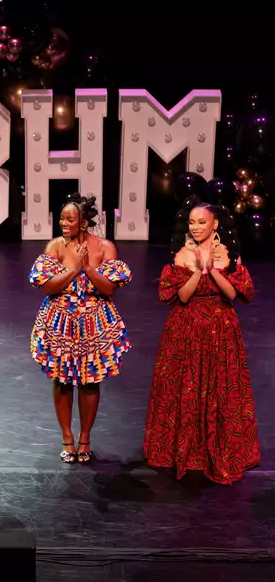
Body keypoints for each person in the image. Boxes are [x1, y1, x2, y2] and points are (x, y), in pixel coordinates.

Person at [143, 197, 259, 484]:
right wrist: (199, 270)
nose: (195, 227)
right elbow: (182, 296)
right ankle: (186, 449)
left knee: (220, 388)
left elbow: (233, 295)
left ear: (215, 224)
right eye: (191, 222)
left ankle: (219, 447)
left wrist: (214, 270)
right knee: (187, 386)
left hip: (221, 329)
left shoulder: (230, 254)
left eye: (201, 222)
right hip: (187, 329)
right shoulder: (182, 255)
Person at [29, 193, 131, 464]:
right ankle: (66, 436)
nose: (64, 223)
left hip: (94, 324)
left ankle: (85, 436)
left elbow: (109, 287)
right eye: (62, 218)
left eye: (70, 219)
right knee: (62, 381)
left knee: (89, 382)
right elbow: (47, 286)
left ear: (84, 222)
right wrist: (74, 270)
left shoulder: (105, 247)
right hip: (60, 324)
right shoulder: (56, 247)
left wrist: (88, 268)